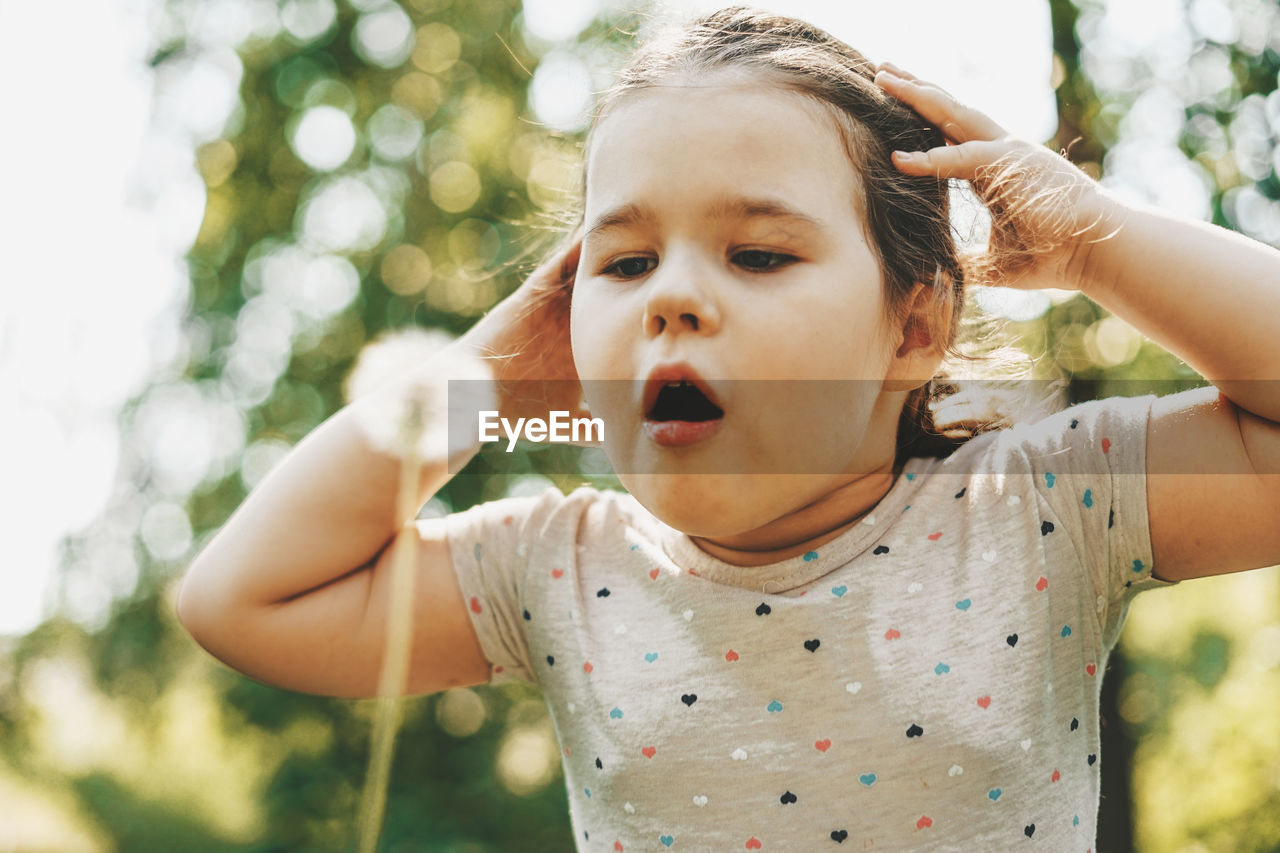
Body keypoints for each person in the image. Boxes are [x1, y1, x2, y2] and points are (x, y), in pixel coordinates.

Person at [176, 6, 1280, 851]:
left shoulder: (1040, 509)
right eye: (621, 263)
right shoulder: (554, 569)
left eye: (756, 253)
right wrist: (479, 385)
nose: (670, 297)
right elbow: (242, 601)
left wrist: (1095, 243)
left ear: (913, 323)